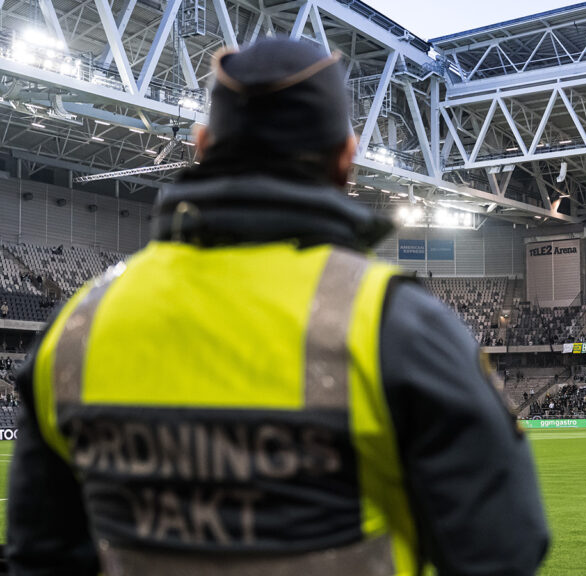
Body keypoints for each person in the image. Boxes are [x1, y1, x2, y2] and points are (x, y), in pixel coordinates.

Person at [7, 39, 548, 576]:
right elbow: (504, 548)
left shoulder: (77, 326)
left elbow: (39, 555)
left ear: (200, 144)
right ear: (346, 160)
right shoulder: (395, 323)